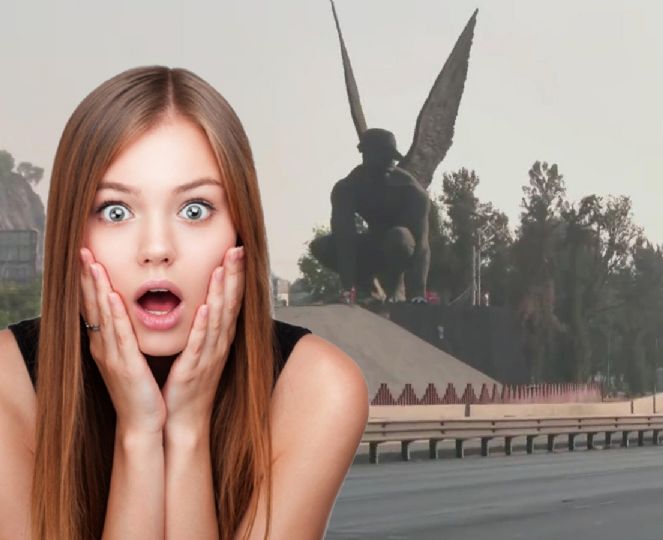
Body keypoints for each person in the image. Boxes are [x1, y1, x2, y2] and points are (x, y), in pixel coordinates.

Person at [0, 66, 369, 539]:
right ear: (73, 231)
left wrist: (188, 431)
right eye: (116, 210)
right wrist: (138, 433)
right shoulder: (9, 385)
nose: (157, 248)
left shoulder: (318, 387)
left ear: (239, 230)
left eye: (194, 210)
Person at [309, 128, 431, 304]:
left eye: (391, 158)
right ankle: (367, 287)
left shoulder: (412, 191)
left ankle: (395, 287)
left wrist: (418, 294)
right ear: (365, 156)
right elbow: (344, 238)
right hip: (373, 246)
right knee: (321, 246)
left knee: (398, 237)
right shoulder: (347, 188)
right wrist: (348, 287)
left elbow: (422, 245)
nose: (388, 163)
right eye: (382, 157)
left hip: (401, 247)